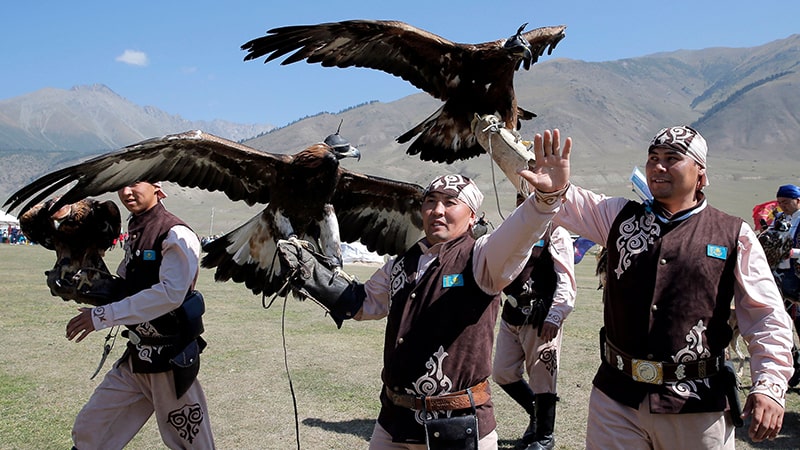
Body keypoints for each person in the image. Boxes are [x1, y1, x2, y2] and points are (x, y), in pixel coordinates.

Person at [516, 126, 794, 449]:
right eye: (653, 158)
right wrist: (554, 190)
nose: (658, 166)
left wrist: (770, 384)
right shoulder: (618, 216)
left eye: (672, 158)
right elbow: (566, 201)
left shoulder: (733, 234)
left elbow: (766, 316)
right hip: (616, 401)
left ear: (701, 174)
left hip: (697, 406)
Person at [276, 172, 564, 450]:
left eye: (450, 202)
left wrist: (544, 200)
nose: (437, 210)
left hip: (456, 427)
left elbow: (518, 235)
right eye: (431, 201)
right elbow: (362, 302)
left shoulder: (482, 258)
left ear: (473, 215)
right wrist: (314, 277)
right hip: (394, 422)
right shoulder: (401, 263)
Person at [65, 181, 215, 449]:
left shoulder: (175, 233)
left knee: (194, 444)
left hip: (169, 363)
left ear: (157, 187)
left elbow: (170, 294)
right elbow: (126, 284)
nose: (126, 192)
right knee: (90, 430)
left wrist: (101, 316)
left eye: (135, 184)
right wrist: (87, 285)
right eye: (121, 186)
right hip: (136, 360)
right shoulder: (136, 229)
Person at [491, 193, 576, 450]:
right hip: (512, 314)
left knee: (542, 378)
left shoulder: (556, 232)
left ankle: (544, 437)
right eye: (519, 197)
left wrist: (555, 314)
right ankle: (536, 417)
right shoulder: (511, 230)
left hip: (541, 318)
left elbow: (566, 278)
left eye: (529, 196)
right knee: (503, 373)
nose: (523, 202)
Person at [773, 184, 800, 386]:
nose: (782, 206)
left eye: (786, 202)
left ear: (797, 200)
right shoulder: (779, 219)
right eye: (780, 202)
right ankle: (793, 368)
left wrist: (792, 253)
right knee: (780, 324)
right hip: (779, 277)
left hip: (797, 278)